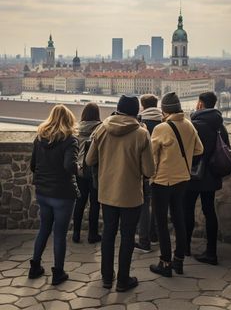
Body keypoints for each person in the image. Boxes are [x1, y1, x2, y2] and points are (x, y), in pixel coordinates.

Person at [86, 95, 155, 292]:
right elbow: (149, 171)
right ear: (136, 112)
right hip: (131, 196)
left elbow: (90, 160)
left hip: (107, 193)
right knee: (127, 238)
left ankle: (107, 277)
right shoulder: (142, 134)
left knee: (108, 234)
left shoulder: (102, 129)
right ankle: (123, 280)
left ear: (118, 109)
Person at [150, 92, 203, 277]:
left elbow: (151, 156)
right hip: (183, 178)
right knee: (179, 218)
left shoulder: (162, 128)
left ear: (164, 110)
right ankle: (178, 260)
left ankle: (165, 262)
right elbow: (199, 149)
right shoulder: (189, 125)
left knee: (162, 222)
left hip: (162, 180)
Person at [29, 104, 80, 285]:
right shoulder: (70, 140)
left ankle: (35, 266)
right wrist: (78, 168)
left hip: (43, 192)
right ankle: (58, 273)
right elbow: (69, 166)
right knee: (59, 234)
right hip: (62, 194)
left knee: (44, 228)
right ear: (69, 120)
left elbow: (33, 165)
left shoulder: (40, 138)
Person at [185, 91, 230, 265]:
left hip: (194, 175)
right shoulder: (220, 125)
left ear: (201, 104)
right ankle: (211, 252)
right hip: (212, 175)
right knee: (209, 212)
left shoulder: (195, 125)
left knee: (186, 210)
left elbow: (189, 152)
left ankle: (185, 247)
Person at [134, 94, 162, 252]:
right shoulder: (164, 121)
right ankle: (154, 235)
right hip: (162, 170)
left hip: (143, 170)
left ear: (143, 106)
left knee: (144, 205)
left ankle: (144, 240)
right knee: (158, 204)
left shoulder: (139, 122)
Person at [72, 102, 101, 244]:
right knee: (95, 204)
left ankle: (76, 233)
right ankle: (92, 234)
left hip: (79, 170)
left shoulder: (77, 128)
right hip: (95, 170)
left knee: (80, 202)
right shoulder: (100, 128)